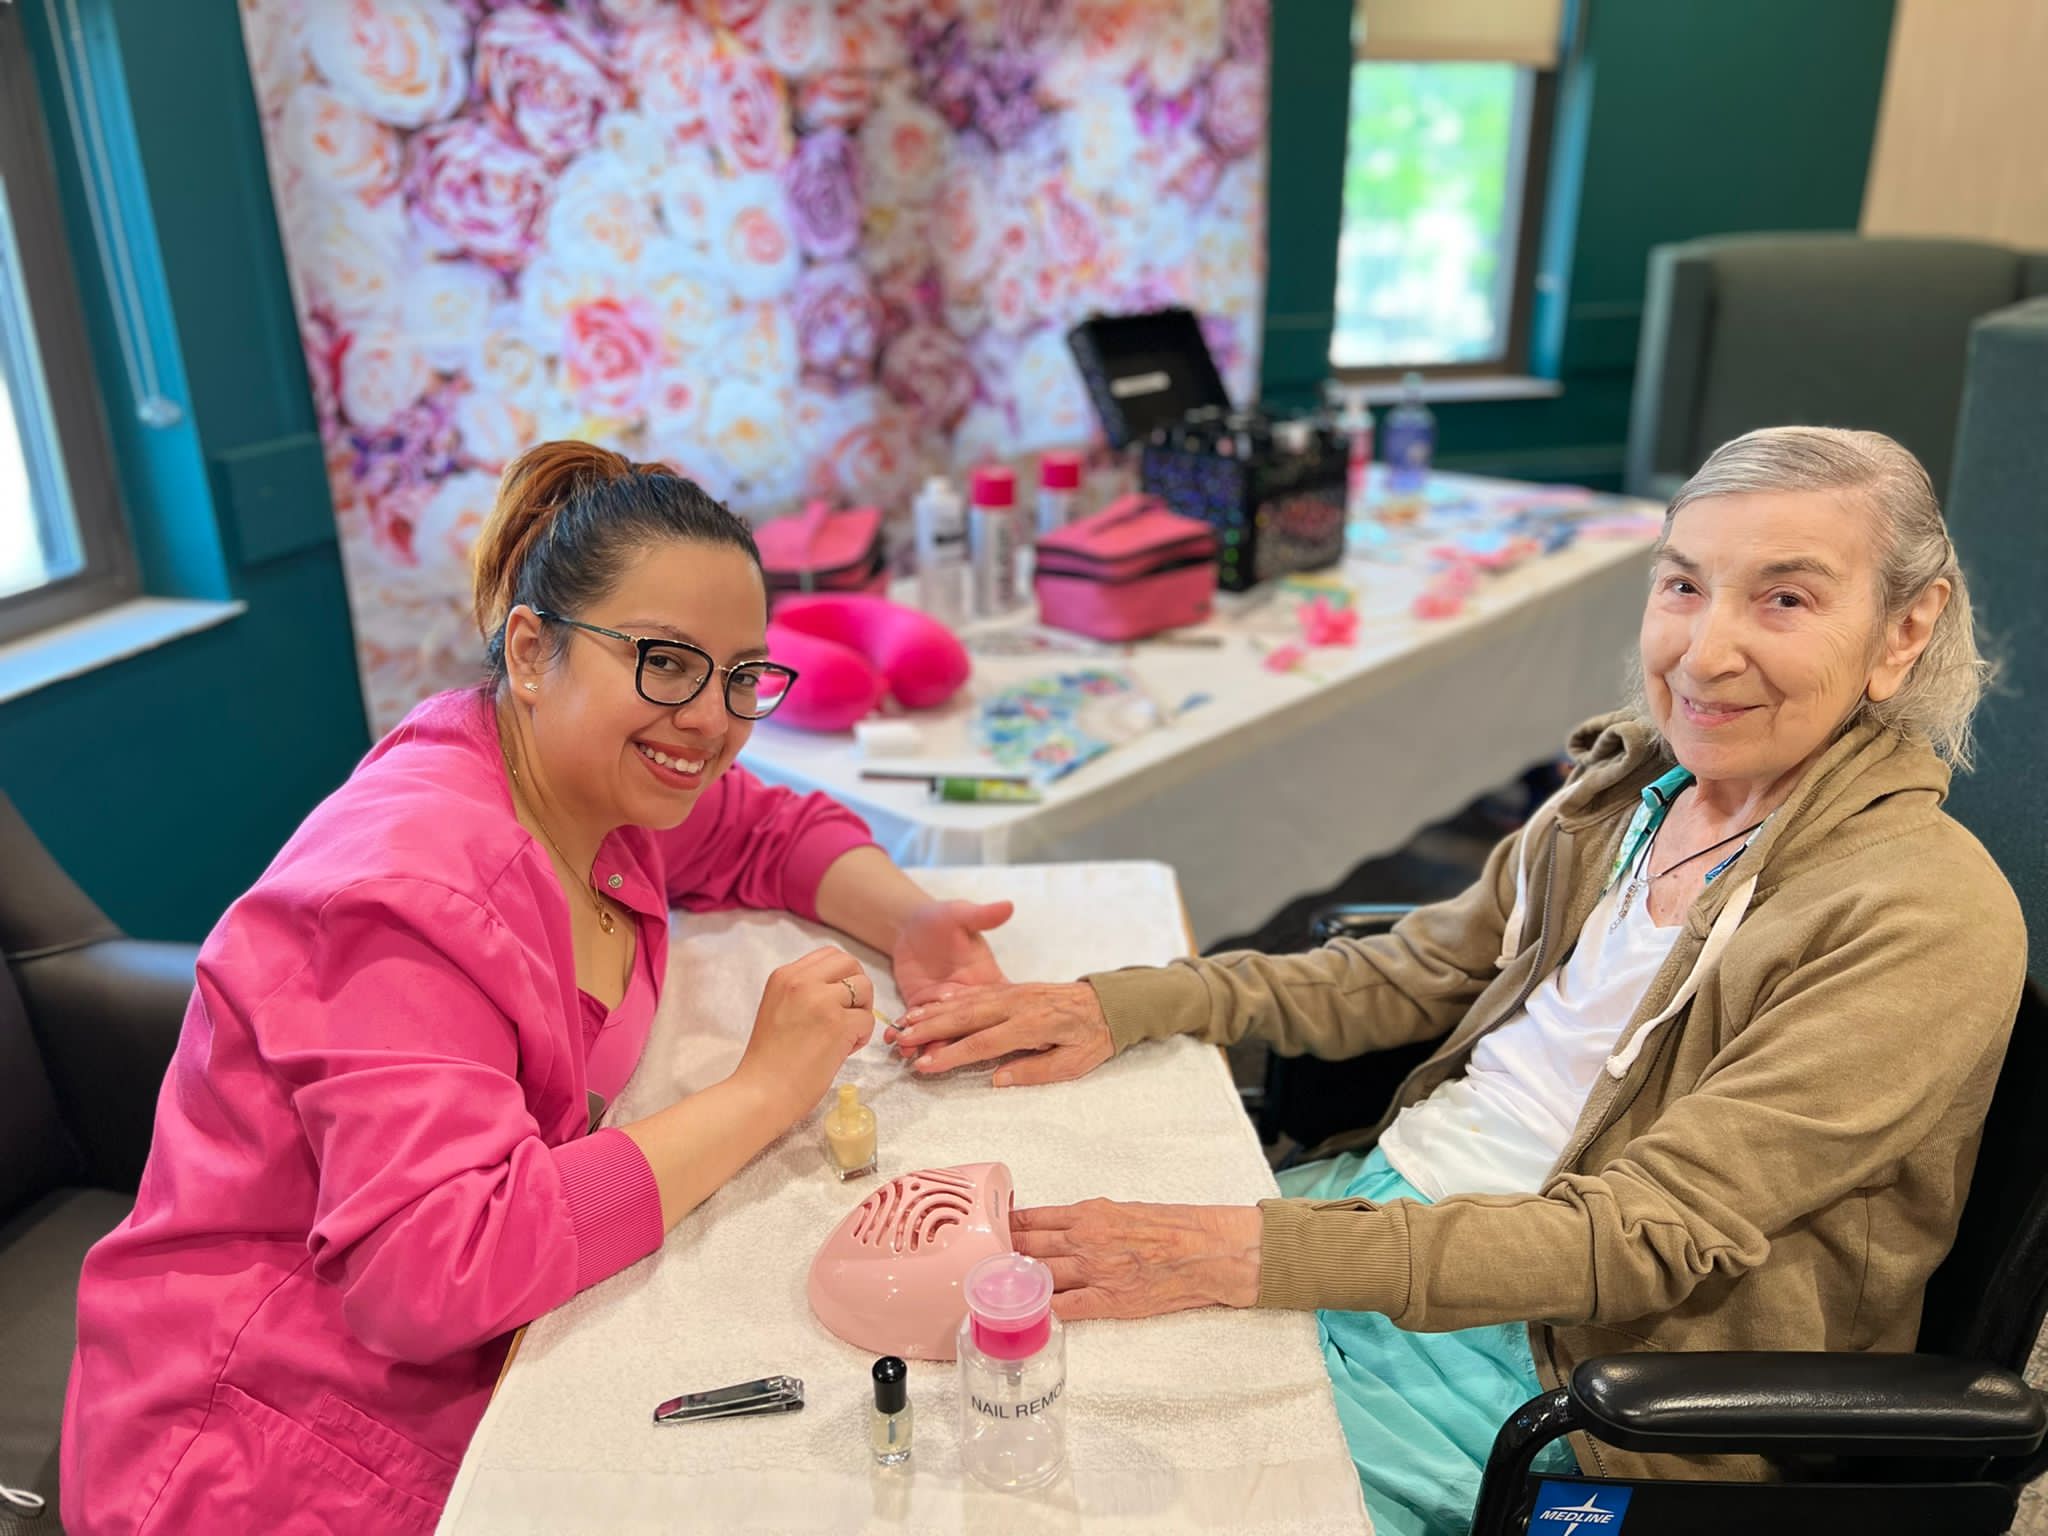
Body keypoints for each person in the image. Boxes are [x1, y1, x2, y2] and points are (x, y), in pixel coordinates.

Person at [887, 427, 2027, 1535]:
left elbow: (1641, 1235)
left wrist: (1237, 1253)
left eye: (1783, 599)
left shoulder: (1918, 913)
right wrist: (1124, 1001)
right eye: (1682, 587)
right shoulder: (1628, 790)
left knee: (1107, 1485)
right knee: (975, 1387)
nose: (1702, 653)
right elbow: (1419, 964)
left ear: (1901, 632)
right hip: (1384, 1208)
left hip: (1573, 1361)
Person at [60, 443, 1013, 1534]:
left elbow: (764, 827)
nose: (710, 720)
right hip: (258, 1437)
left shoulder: (589, 775)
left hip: (474, 1353)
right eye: (664, 661)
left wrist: (910, 921)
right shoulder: (406, 895)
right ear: (528, 649)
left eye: (742, 676)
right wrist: (762, 1090)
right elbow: (436, 1272)